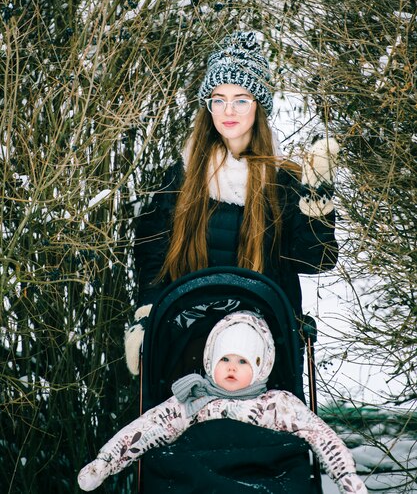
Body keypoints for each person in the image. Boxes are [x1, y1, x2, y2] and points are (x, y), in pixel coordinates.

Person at [125, 30, 340, 375]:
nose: (228, 110)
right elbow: (154, 254)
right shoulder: (182, 176)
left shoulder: (283, 181)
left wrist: (317, 204)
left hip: (262, 338)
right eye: (218, 99)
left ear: (259, 106)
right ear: (207, 106)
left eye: (241, 99)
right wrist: (147, 312)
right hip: (189, 334)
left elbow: (316, 261)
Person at [78, 312, 367, 494]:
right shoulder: (191, 399)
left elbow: (321, 436)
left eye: (242, 361)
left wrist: (347, 478)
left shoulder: (278, 404)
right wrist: (104, 463)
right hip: (200, 476)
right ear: (210, 360)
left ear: (261, 366)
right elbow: (145, 429)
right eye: (224, 359)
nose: (231, 367)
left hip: (262, 476)